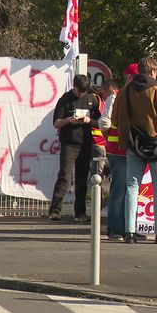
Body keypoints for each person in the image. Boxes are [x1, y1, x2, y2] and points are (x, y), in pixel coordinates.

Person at [112, 57, 157, 244]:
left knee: (132, 187)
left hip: (133, 144)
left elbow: (115, 119)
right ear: (153, 71)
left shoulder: (125, 91)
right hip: (156, 145)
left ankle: (130, 231)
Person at [48, 74, 100, 222]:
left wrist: (90, 120)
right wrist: (67, 120)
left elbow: (100, 121)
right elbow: (56, 123)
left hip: (85, 143)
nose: (81, 94)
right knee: (65, 176)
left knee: (82, 179)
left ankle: (80, 212)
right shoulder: (65, 99)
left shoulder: (91, 100)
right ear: (74, 86)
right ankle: (55, 210)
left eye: (84, 92)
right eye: (79, 91)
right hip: (69, 143)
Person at [98, 79, 126, 241]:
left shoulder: (119, 98)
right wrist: (110, 138)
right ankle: (116, 228)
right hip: (120, 151)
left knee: (127, 190)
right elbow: (104, 123)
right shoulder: (114, 98)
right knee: (119, 189)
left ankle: (126, 227)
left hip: (124, 150)